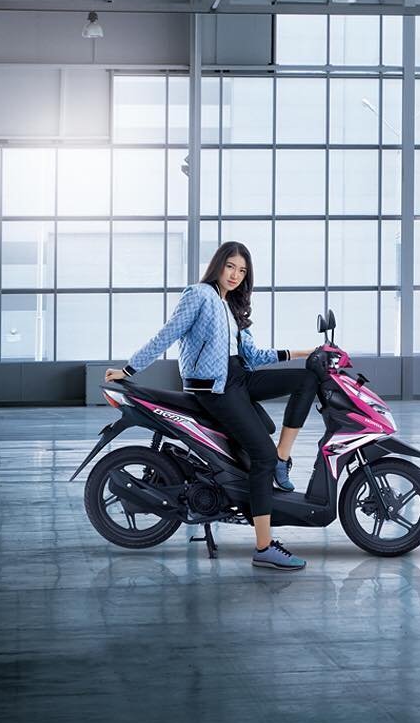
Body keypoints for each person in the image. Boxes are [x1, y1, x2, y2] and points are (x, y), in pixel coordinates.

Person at [105, 242, 316, 571]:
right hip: (215, 389)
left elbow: (252, 356)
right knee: (260, 455)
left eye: (242, 270)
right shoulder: (200, 294)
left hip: (239, 378)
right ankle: (264, 547)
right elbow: (168, 334)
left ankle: (282, 458)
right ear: (218, 265)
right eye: (230, 266)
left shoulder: (231, 305)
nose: (235, 275)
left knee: (307, 379)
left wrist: (305, 353)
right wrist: (130, 369)